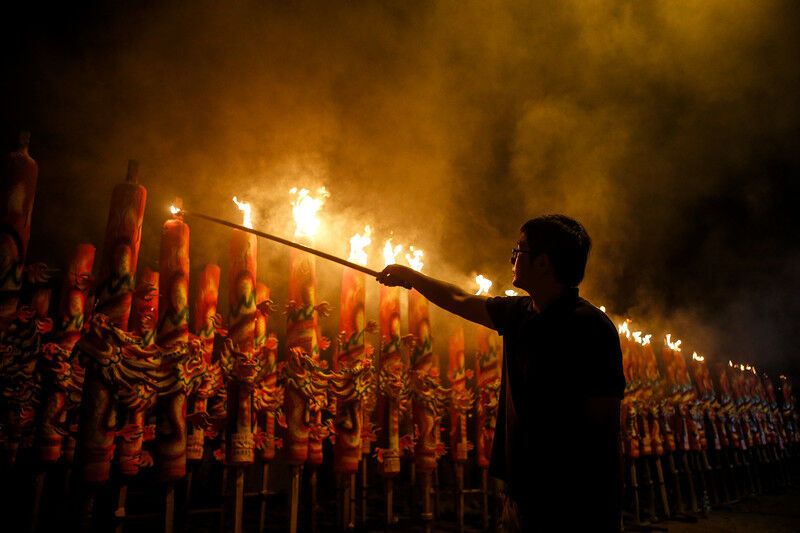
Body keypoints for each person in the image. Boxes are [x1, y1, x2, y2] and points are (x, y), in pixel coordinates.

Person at [377, 214, 625, 532]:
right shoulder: (519, 313)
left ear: (543, 263)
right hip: (521, 492)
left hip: (574, 499)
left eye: (519, 249)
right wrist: (410, 277)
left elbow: (605, 424)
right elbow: (461, 299)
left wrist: (608, 509)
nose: (512, 256)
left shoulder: (590, 327)